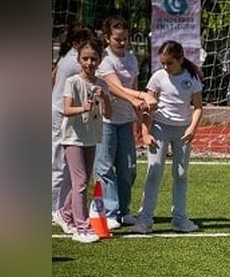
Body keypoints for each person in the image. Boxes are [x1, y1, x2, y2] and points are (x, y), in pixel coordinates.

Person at [132, 40, 203, 234]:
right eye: (163, 62)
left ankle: (179, 218)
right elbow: (148, 107)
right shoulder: (157, 77)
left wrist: (192, 128)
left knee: (180, 174)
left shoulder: (192, 78)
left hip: (183, 132)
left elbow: (198, 107)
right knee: (154, 171)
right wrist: (146, 132)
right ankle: (145, 219)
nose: (165, 66)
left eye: (169, 62)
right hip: (160, 128)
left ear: (180, 59)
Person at [94, 15, 152, 229]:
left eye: (125, 38)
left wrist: (139, 119)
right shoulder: (104, 60)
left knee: (128, 167)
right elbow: (116, 89)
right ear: (107, 38)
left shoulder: (131, 58)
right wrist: (141, 97)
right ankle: (107, 212)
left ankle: (123, 210)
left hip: (125, 120)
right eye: (117, 38)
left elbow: (133, 84)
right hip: (106, 120)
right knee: (105, 166)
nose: (122, 42)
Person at [59, 38, 115, 242]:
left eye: (93, 59)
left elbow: (109, 113)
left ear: (99, 60)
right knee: (81, 181)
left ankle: (65, 213)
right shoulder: (72, 82)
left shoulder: (101, 84)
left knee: (81, 182)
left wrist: (105, 97)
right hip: (73, 137)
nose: (89, 63)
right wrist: (82, 108)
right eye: (85, 59)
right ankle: (81, 226)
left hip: (91, 137)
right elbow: (65, 109)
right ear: (79, 60)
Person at [52, 22, 94, 233]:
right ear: (78, 42)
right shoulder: (74, 62)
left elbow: (52, 78)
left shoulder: (66, 57)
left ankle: (62, 210)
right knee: (61, 167)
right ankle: (56, 211)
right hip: (62, 115)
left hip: (61, 111)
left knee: (68, 169)